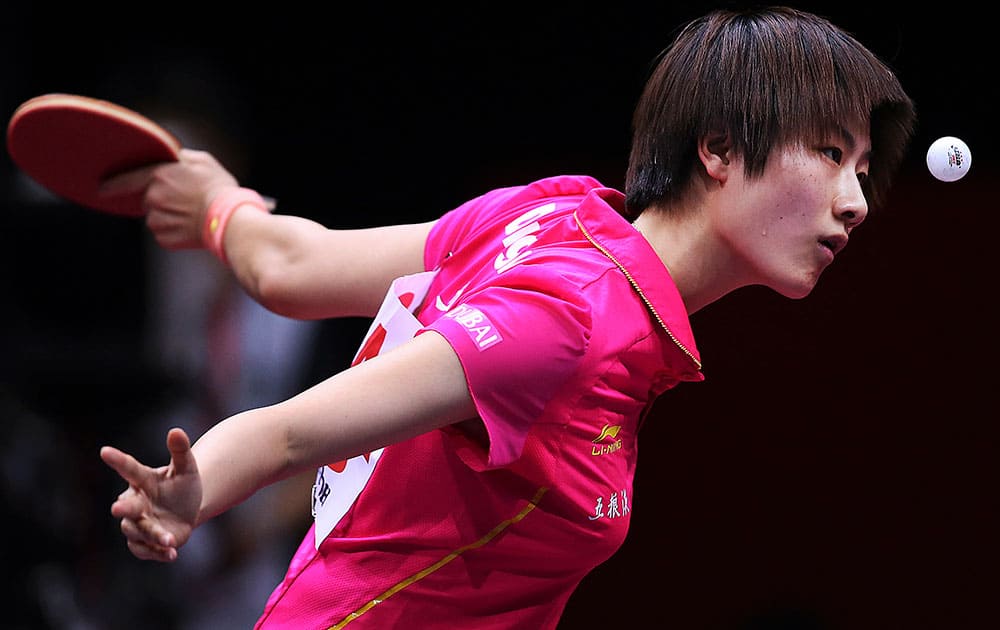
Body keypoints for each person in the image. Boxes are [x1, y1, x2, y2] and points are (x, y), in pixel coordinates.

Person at [100, 7, 916, 628]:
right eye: (832, 154)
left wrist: (217, 209)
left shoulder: (552, 214)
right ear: (720, 149)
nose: (855, 203)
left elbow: (293, 266)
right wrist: (189, 495)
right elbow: (291, 433)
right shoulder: (569, 318)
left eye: (866, 169)